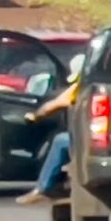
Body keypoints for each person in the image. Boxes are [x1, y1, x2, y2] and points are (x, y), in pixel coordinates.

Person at [15, 56, 83, 204]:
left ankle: (42, 188)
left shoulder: (80, 87)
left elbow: (51, 106)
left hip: (89, 139)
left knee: (60, 140)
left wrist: (35, 115)